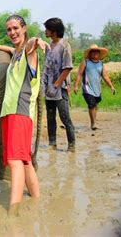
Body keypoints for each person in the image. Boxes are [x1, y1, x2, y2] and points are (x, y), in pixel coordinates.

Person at [0, 14, 48, 217]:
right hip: (10, 112)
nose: (12, 32)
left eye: (16, 28)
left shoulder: (29, 52)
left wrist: (37, 40)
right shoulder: (16, 53)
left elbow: (30, 44)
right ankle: (36, 199)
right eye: (9, 30)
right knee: (25, 160)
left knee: (14, 161)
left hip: (20, 112)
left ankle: (13, 211)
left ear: (24, 28)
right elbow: (10, 49)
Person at [42, 17, 76, 152]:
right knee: (50, 118)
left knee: (65, 117)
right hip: (49, 88)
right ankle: (52, 144)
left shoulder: (64, 45)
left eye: (47, 29)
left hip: (60, 88)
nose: (45, 31)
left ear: (54, 31)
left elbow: (68, 67)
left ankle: (72, 145)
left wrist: (57, 83)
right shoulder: (49, 46)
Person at [74, 44, 116, 130]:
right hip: (87, 88)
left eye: (97, 52)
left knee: (95, 105)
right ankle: (93, 123)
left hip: (97, 88)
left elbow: (105, 76)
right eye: (93, 52)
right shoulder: (85, 62)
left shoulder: (101, 64)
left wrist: (111, 86)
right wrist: (76, 86)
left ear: (99, 54)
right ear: (90, 54)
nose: (95, 54)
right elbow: (79, 74)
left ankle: (93, 122)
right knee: (91, 105)